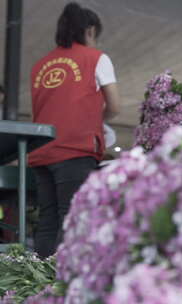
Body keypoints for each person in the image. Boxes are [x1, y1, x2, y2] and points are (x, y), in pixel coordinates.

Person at [29, 2, 121, 258]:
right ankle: (66, 288)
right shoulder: (96, 58)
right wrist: (98, 119)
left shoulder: (40, 65)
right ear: (89, 30)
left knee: (47, 222)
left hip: (40, 152)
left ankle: (41, 287)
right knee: (74, 219)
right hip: (73, 149)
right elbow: (114, 106)